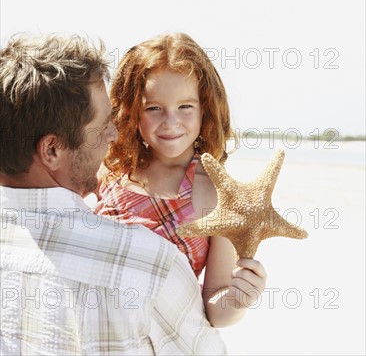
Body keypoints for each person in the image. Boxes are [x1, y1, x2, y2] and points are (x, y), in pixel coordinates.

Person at [0, 33, 226, 355]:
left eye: (186, 106)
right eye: (104, 124)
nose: (114, 133)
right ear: (52, 149)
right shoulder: (152, 265)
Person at [96, 33, 267, 328]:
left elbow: (215, 306)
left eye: (185, 106)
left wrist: (238, 300)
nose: (171, 121)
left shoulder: (216, 192)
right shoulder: (111, 170)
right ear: (131, 110)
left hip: (161, 336)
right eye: (153, 108)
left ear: (206, 109)